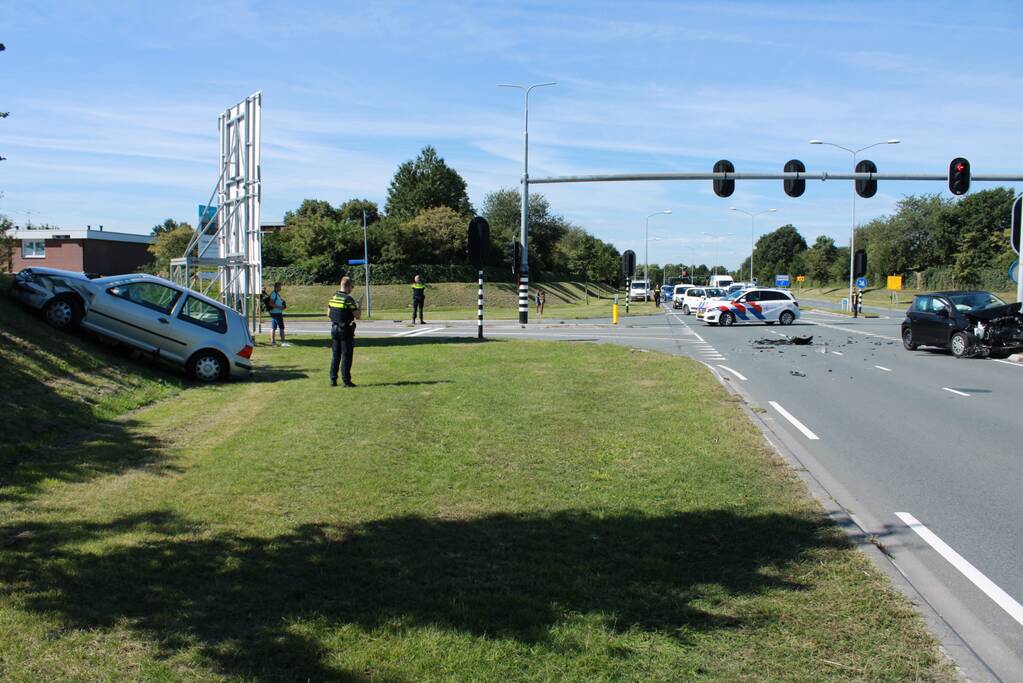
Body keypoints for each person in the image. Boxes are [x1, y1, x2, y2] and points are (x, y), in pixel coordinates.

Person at [328, 276, 361, 387]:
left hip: (334, 329)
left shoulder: (333, 297)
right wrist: (359, 305)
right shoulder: (348, 299)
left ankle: (333, 380)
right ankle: (346, 381)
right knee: (346, 355)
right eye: (352, 287)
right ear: (348, 286)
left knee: (336, 355)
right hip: (345, 330)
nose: (352, 289)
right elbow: (358, 316)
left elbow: (328, 313)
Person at [268, 282, 291, 346]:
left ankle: (273, 342)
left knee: (273, 327)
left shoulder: (276, 294)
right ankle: (283, 342)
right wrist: (279, 307)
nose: (280, 288)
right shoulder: (273, 294)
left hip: (275, 312)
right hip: (276, 313)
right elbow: (271, 303)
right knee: (281, 327)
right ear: (276, 287)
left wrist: (282, 304)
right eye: (279, 286)